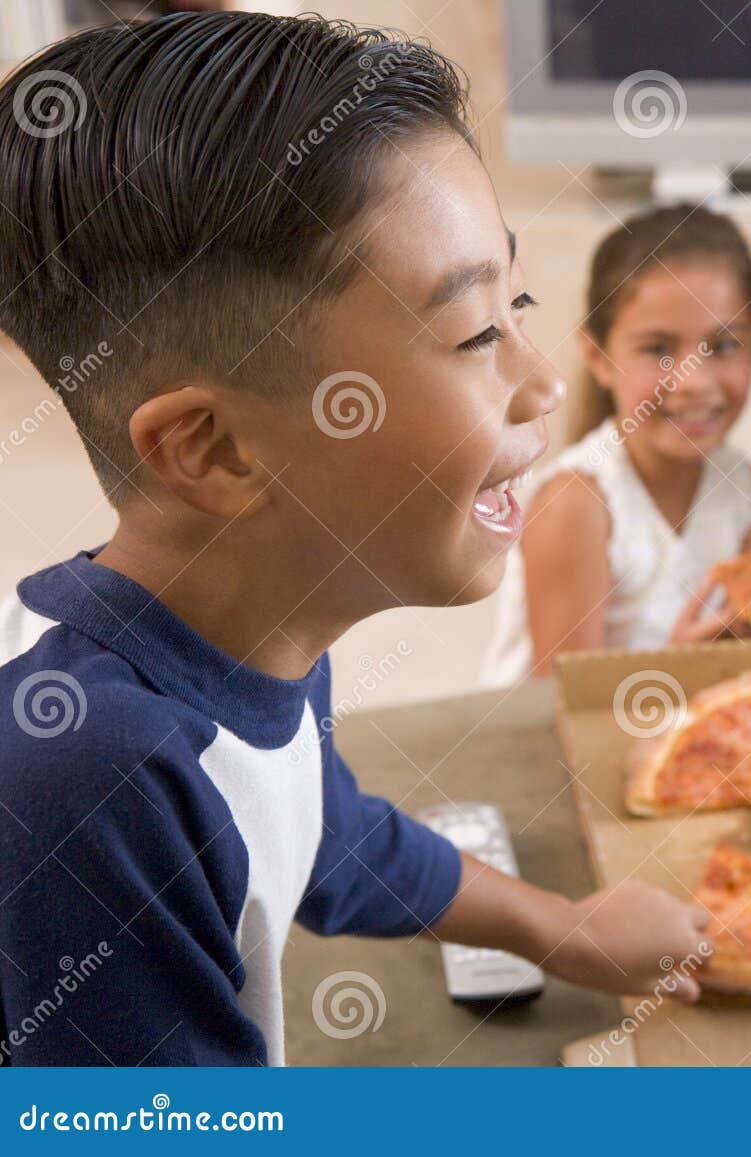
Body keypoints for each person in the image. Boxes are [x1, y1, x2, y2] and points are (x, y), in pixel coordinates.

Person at [0, 12, 708, 1065]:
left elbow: (320, 828)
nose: (547, 381)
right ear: (215, 450)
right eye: (474, 334)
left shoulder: (259, 617)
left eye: (515, 299)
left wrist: (562, 927)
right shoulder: (88, 779)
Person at [485, 205, 751, 682]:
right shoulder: (577, 505)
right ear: (598, 358)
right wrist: (679, 667)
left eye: (724, 345)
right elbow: (565, 715)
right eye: (658, 350)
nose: (693, 381)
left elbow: (739, 680)